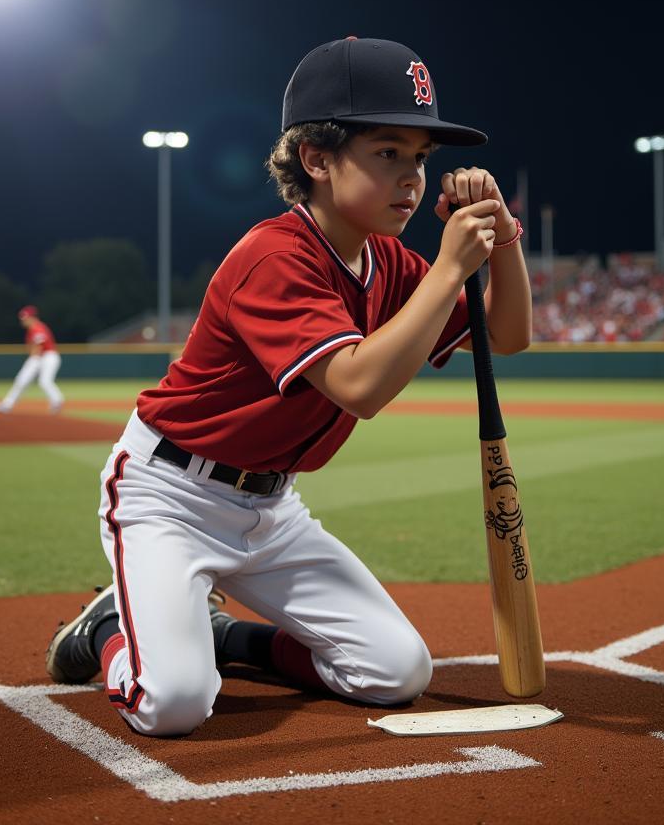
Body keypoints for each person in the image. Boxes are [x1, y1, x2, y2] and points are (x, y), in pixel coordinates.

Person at [46, 36, 531, 737]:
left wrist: (504, 237)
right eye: (388, 152)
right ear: (317, 158)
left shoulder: (388, 263)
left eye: (421, 159)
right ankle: (107, 634)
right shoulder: (273, 255)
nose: (413, 178)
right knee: (172, 704)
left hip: (271, 511)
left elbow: (508, 335)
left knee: (396, 673)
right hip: (171, 496)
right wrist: (452, 268)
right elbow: (359, 387)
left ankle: (222, 638)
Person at [0, 305, 64, 413]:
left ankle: (57, 401)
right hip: (41, 357)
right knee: (22, 380)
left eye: (25, 318)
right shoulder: (32, 329)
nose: (23, 321)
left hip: (47, 356)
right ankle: (7, 405)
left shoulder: (37, 328)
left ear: (33, 317)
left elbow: (39, 346)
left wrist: (33, 360)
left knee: (44, 381)